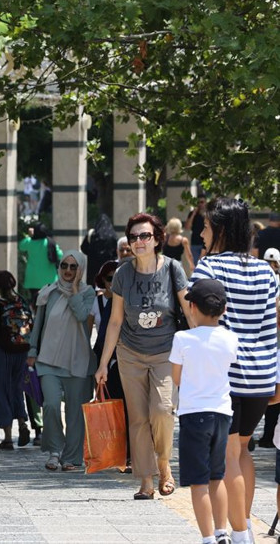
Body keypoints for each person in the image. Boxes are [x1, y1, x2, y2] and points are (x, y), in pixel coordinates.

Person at [190, 197, 279, 540]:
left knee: (225, 455)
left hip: (224, 375)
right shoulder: (264, 271)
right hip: (260, 375)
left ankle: (239, 533)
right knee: (241, 450)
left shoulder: (209, 269)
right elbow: (273, 323)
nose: (201, 231)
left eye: (207, 226)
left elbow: (195, 317)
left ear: (222, 230)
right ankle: (242, 528)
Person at [95, 213, 192, 500]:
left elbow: (188, 310)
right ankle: (146, 481)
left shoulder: (173, 269)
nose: (138, 241)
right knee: (137, 418)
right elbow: (114, 321)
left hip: (165, 353)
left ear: (157, 239)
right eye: (134, 236)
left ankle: (164, 466)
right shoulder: (124, 273)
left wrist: (201, 349)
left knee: (162, 411)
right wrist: (103, 363)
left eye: (145, 236)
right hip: (130, 354)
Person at [170, 279, 237, 544]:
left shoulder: (183, 338)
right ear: (224, 309)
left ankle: (208, 538)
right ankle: (222, 533)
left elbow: (176, 378)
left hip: (194, 413)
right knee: (216, 476)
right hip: (222, 412)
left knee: (198, 481)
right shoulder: (231, 338)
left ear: (193, 307)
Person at [28, 250, 96, 471]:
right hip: (47, 359)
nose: (67, 270)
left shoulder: (88, 293)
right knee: (51, 405)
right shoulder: (48, 292)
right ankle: (54, 451)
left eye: (73, 267)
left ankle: (72, 458)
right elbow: (38, 324)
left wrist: (74, 290)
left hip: (79, 361)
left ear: (81, 269)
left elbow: (81, 315)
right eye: (64, 265)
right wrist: (32, 349)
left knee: (76, 413)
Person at [87, 260, 131, 473]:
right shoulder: (97, 303)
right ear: (102, 280)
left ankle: (131, 455)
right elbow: (88, 333)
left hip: (127, 359)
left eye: (117, 278)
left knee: (131, 410)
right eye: (109, 278)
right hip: (107, 361)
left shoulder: (130, 301)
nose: (114, 283)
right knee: (113, 409)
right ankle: (115, 452)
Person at [0, 270, 32, 450]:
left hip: (2, 352)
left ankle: (8, 437)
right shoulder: (22, 301)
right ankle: (22, 424)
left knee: (0, 391)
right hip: (22, 351)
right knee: (17, 389)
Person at [18, 223, 63, 308]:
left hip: (33, 279)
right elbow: (60, 255)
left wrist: (29, 236)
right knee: (49, 302)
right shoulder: (50, 242)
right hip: (49, 279)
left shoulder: (29, 242)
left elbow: (21, 246)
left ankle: (36, 317)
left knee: (35, 301)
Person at [80, 213, 118, 286]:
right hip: (108, 268)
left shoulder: (92, 234)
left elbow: (83, 248)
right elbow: (116, 253)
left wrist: (92, 253)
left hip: (93, 268)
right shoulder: (113, 235)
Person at [185, 194, 207, 263]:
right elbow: (187, 227)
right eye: (198, 202)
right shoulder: (192, 214)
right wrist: (194, 213)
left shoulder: (208, 213)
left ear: (205, 203)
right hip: (195, 243)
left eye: (202, 202)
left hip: (206, 243)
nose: (200, 204)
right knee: (196, 265)